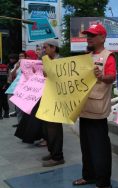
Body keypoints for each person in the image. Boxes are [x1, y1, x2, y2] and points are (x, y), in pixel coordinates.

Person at [72, 24, 116, 188]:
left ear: (103, 37)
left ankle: (104, 183)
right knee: (86, 147)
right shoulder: (86, 56)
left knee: (100, 150)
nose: (89, 38)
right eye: (87, 35)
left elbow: (111, 78)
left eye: (92, 35)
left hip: (97, 112)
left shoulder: (108, 56)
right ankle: (88, 176)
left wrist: (102, 76)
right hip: (84, 109)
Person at [40, 39, 65, 167]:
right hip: (48, 99)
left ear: (53, 48)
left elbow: (63, 79)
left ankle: (57, 156)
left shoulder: (61, 62)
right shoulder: (47, 61)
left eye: (45, 47)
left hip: (57, 101)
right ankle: (52, 151)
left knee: (54, 129)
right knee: (47, 128)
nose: (44, 50)